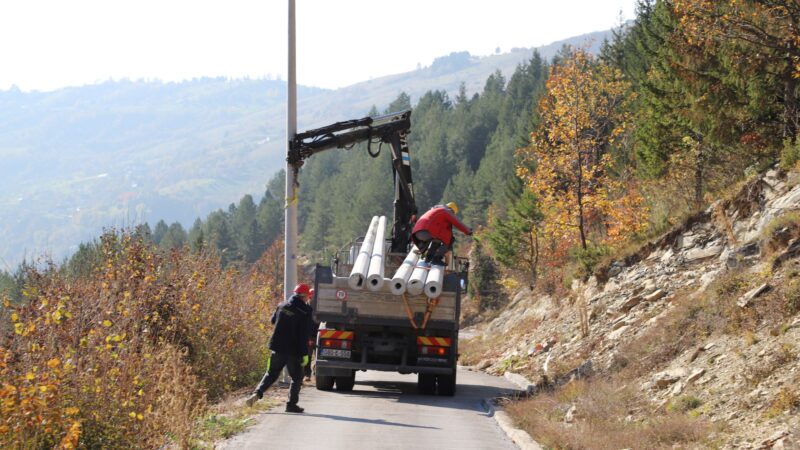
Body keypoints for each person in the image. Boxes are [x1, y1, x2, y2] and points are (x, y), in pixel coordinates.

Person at [246, 283, 313, 413]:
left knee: (271, 373)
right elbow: (304, 334)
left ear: (295, 294)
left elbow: (273, 321)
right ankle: (291, 405)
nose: (308, 300)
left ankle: (257, 393)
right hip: (294, 351)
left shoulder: (281, 305)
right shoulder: (305, 311)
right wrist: (305, 354)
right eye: (308, 297)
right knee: (297, 377)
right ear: (305, 296)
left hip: (277, 348)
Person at [304, 288, 320, 380]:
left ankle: (313, 371)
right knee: (308, 355)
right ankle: (307, 374)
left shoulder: (321, 307)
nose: (312, 298)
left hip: (319, 334)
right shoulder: (305, 308)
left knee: (317, 355)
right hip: (310, 335)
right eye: (311, 296)